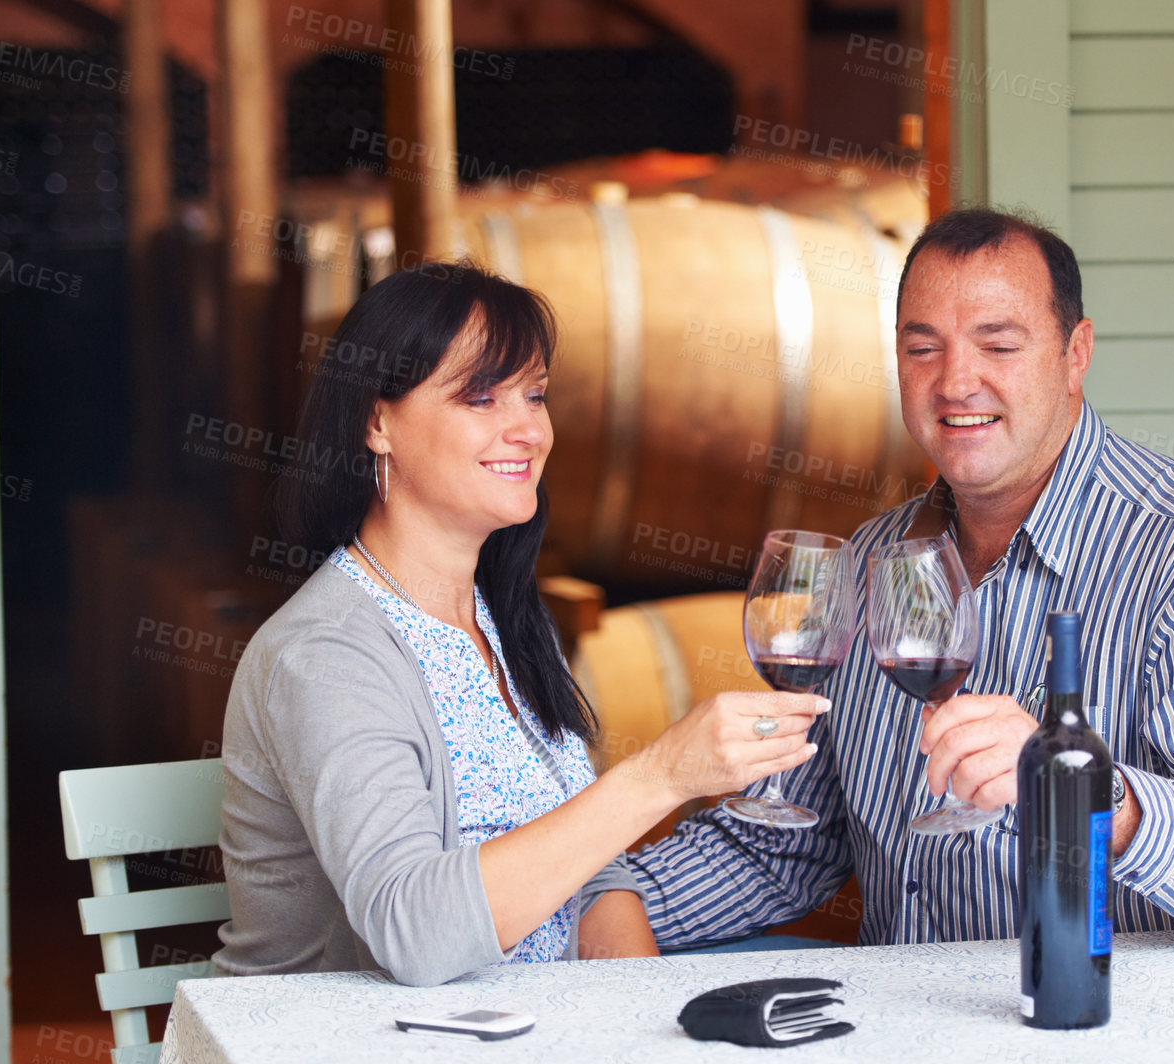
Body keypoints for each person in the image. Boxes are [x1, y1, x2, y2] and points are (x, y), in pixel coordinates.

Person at [629, 207, 1174, 991]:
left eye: (998, 345)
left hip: (1157, 1049)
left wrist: (1079, 786)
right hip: (929, 1036)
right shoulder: (873, 562)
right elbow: (787, 843)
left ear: (1076, 354)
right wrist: (603, 894)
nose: (954, 381)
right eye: (921, 347)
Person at [213, 262, 826, 985]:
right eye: (480, 397)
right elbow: (412, 935)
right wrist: (659, 776)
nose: (526, 429)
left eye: (533, 395)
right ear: (377, 422)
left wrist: (644, 1024)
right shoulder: (325, 654)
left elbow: (589, 878)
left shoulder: (499, 622)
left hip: (519, 1041)